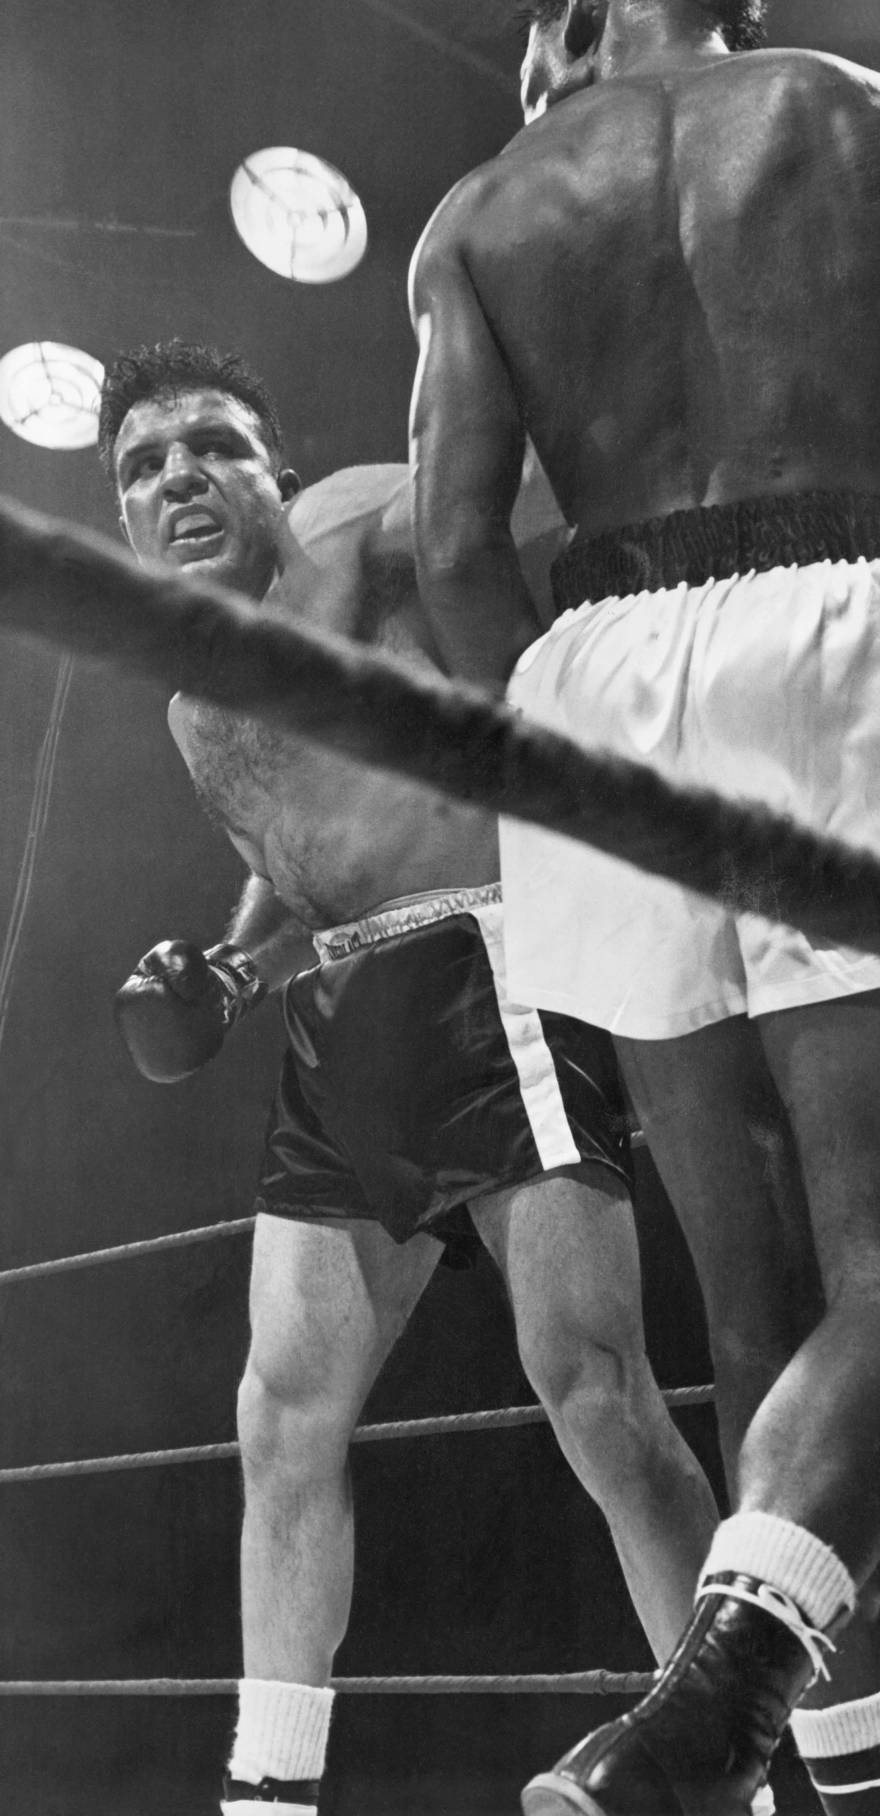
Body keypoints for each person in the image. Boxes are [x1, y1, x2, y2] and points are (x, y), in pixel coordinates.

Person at [407, 0, 880, 1812]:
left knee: (748, 1298)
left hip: (587, 681)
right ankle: (727, 1693)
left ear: (577, 14)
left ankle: (837, 1757)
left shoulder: (477, 213)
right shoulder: (878, 117)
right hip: (825, 608)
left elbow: (448, 555)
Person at [99, 340, 727, 1816]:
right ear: (121, 518)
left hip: (489, 964)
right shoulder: (188, 700)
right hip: (340, 1020)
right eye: (144, 464)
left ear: (276, 472)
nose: (179, 476)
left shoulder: (364, 521)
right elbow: (301, 863)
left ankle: (724, 1759)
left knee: (591, 1390)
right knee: (279, 1415)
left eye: (212, 447)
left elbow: (528, 486)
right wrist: (230, 968)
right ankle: (268, 1789)